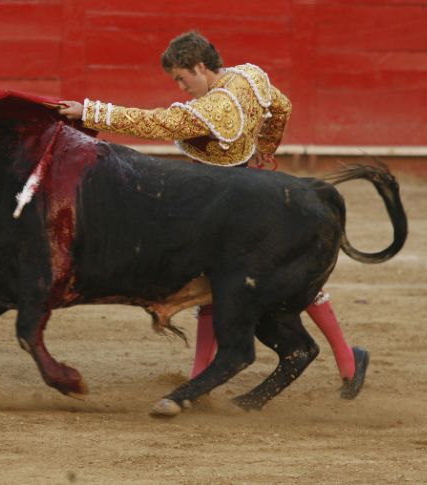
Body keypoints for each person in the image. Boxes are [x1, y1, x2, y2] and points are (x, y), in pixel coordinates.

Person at [58, 31, 368, 399]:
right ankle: (348, 361)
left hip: (224, 203)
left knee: (212, 282)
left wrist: (91, 112)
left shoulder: (214, 110)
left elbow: (159, 123)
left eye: (181, 77)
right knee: (300, 283)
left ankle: (201, 376)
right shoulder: (249, 76)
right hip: (248, 192)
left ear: (201, 66)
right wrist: (264, 152)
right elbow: (281, 106)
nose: (180, 86)